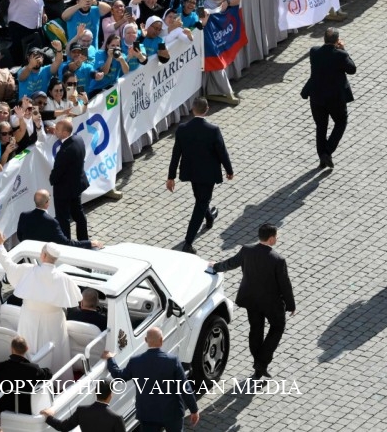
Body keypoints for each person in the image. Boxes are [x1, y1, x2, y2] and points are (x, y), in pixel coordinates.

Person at [209, 224, 295, 380]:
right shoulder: (278, 260)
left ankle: (258, 365)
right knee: (277, 327)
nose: (277, 238)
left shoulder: (247, 250)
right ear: (271, 239)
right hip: (271, 303)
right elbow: (285, 285)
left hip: (251, 300)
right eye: (276, 236)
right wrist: (290, 305)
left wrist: (215, 266)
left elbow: (231, 263)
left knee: (256, 330)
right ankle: (261, 363)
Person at [0, 229, 81, 373]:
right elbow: (77, 299)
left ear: (43, 255)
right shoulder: (65, 279)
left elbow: (8, 265)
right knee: (56, 352)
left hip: (30, 318)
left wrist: (0, 245)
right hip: (54, 321)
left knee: (28, 347)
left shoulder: (29, 271)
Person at [166, 97, 233, 254]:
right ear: (207, 109)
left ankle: (209, 217)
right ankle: (188, 242)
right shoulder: (213, 130)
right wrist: (229, 170)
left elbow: (176, 155)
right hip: (208, 174)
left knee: (201, 200)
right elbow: (222, 152)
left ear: (192, 109)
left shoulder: (182, 129)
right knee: (201, 202)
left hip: (191, 172)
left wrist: (171, 177)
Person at [103, 327, 200, 431]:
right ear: (161, 340)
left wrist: (110, 359)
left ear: (145, 340)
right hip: (172, 412)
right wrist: (194, 410)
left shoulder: (135, 362)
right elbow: (185, 388)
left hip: (147, 414)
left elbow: (119, 376)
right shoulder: (173, 361)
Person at [301, 27, 356, 169]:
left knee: (321, 126)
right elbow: (352, 69)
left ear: (324, 39)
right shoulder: (341, 55)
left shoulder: (314, 52)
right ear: (337, 41)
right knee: (341, 122)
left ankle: (322, 157)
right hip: (335, 98)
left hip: (317, 96)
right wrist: (343, 50)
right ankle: (327, 152)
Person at [17, 189, 102, 249]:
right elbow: (66, 243)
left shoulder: (24, 215)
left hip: (28, 254)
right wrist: (90, 243)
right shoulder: (52, 222)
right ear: (47, 203)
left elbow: (20, 236)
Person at [49, 118, 89, 241]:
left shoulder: (64, 151)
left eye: (57, 129)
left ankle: (66, 244)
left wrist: (52, 179)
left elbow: (57, 173)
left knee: (63, 219)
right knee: (78, 214)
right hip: (76, 185)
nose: (54, 130)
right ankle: (83, 240)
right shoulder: (79, 139)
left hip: (64, 191)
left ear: (65, 133)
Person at [0, 336, 52, 415]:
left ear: (11, 349)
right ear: (27, 349)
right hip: (27, 409)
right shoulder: (33, 369)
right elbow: (49, 374)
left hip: (4, 408)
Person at [41, 379, 125, 432]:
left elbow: (63, 427)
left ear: (95, 392)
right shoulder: (116, 418)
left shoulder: (81, 411)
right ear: (110, 395)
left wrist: (48, 417)